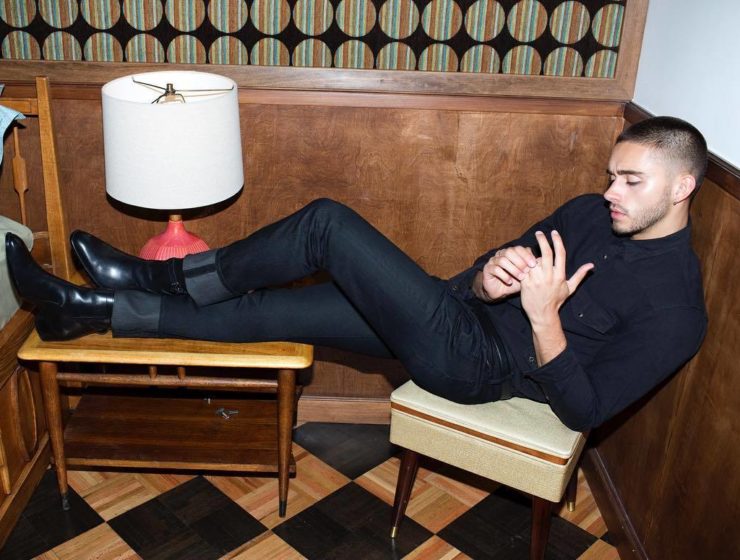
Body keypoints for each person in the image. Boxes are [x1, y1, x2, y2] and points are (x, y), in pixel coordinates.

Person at [5, 116, 708, 431]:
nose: (610, 193)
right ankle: (89, 313)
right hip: (452, 309)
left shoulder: (677, 312)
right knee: (269, 312)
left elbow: (585, 412)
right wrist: (489, 277)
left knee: (326, 224)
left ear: (682, 188)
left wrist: (544, 318)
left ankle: (161, 278)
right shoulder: (590, 212)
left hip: (479, 368)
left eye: (631, 182)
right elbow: (488, 267)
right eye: (611, 175)